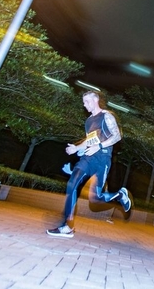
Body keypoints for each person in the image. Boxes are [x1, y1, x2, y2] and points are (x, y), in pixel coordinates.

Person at [47, 91, 132, 238]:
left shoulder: (106, 116)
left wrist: (99, 146)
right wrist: (76, 148)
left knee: (95, 199)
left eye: (86, 101)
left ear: (95, 100)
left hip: (102, 160)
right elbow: (89, 140)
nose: (84, 104)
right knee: (72, 184)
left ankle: (119, 195)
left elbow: (117, 136)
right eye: (83, 101)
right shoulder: (88, 121)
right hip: (87, 158)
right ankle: (67, 226)